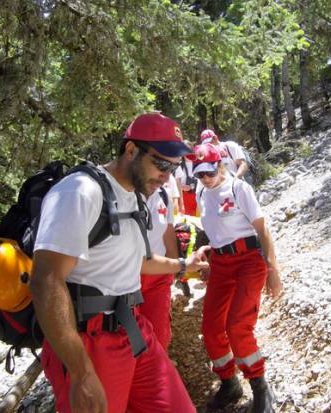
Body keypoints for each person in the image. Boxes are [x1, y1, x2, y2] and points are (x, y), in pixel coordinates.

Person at [29, 113, 210, 413]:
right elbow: (46, 280)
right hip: (89, 339)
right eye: (161, 164)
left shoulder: (134, 197)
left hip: (133, 329)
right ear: (130, 150)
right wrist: (81, 371)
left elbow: (139, 261)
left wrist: (183, 264)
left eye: (174, 167)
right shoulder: (79, 191)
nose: (167, 175)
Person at [193, 143, 283, 413]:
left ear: (221, 166)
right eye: (200, 174)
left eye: (210, 172)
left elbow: (262, 229)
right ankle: (229, 382)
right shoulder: (201, 192)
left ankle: (260, 386)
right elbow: (211, 228)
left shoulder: (238, 188)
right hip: (220, 263)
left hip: (247, 261)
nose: (206, 179)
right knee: (210, 327)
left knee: (237, 326)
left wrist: (273, 270)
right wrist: (205, 253)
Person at [139, 183, 178, 352]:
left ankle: (158, 371)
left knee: (160, 331)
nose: (166, 173)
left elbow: (168, 232)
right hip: (129, 275)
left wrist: (175, 265)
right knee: (131, 333)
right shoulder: (125, 193)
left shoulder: (163, 195)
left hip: (159, 275)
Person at [174, 140, 198, 216]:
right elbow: (175, 183)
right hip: (184, 198)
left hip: (197, 197)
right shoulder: (179, 165)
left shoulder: (198, 163)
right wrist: (182, 187)